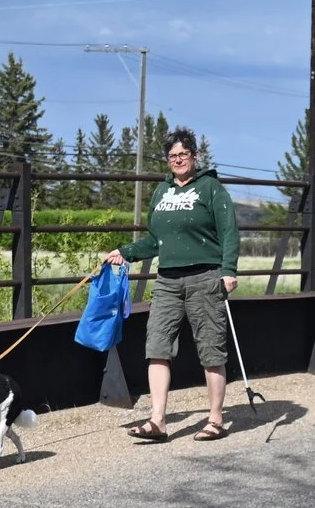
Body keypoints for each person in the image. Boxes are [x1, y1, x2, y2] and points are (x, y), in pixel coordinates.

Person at [101, 128, 240, 442]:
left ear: (194, 156)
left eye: (183, 154)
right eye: (173, 156)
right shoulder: (161, 192)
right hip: (167, 280)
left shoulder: (211, 188)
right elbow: (156, 239)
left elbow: (229, 231)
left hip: (206, 277)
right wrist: (126, 252)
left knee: (211, 350)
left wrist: (228, 270)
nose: (178, 160)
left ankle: (216, 420)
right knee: (157, 347)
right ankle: (158, 421)